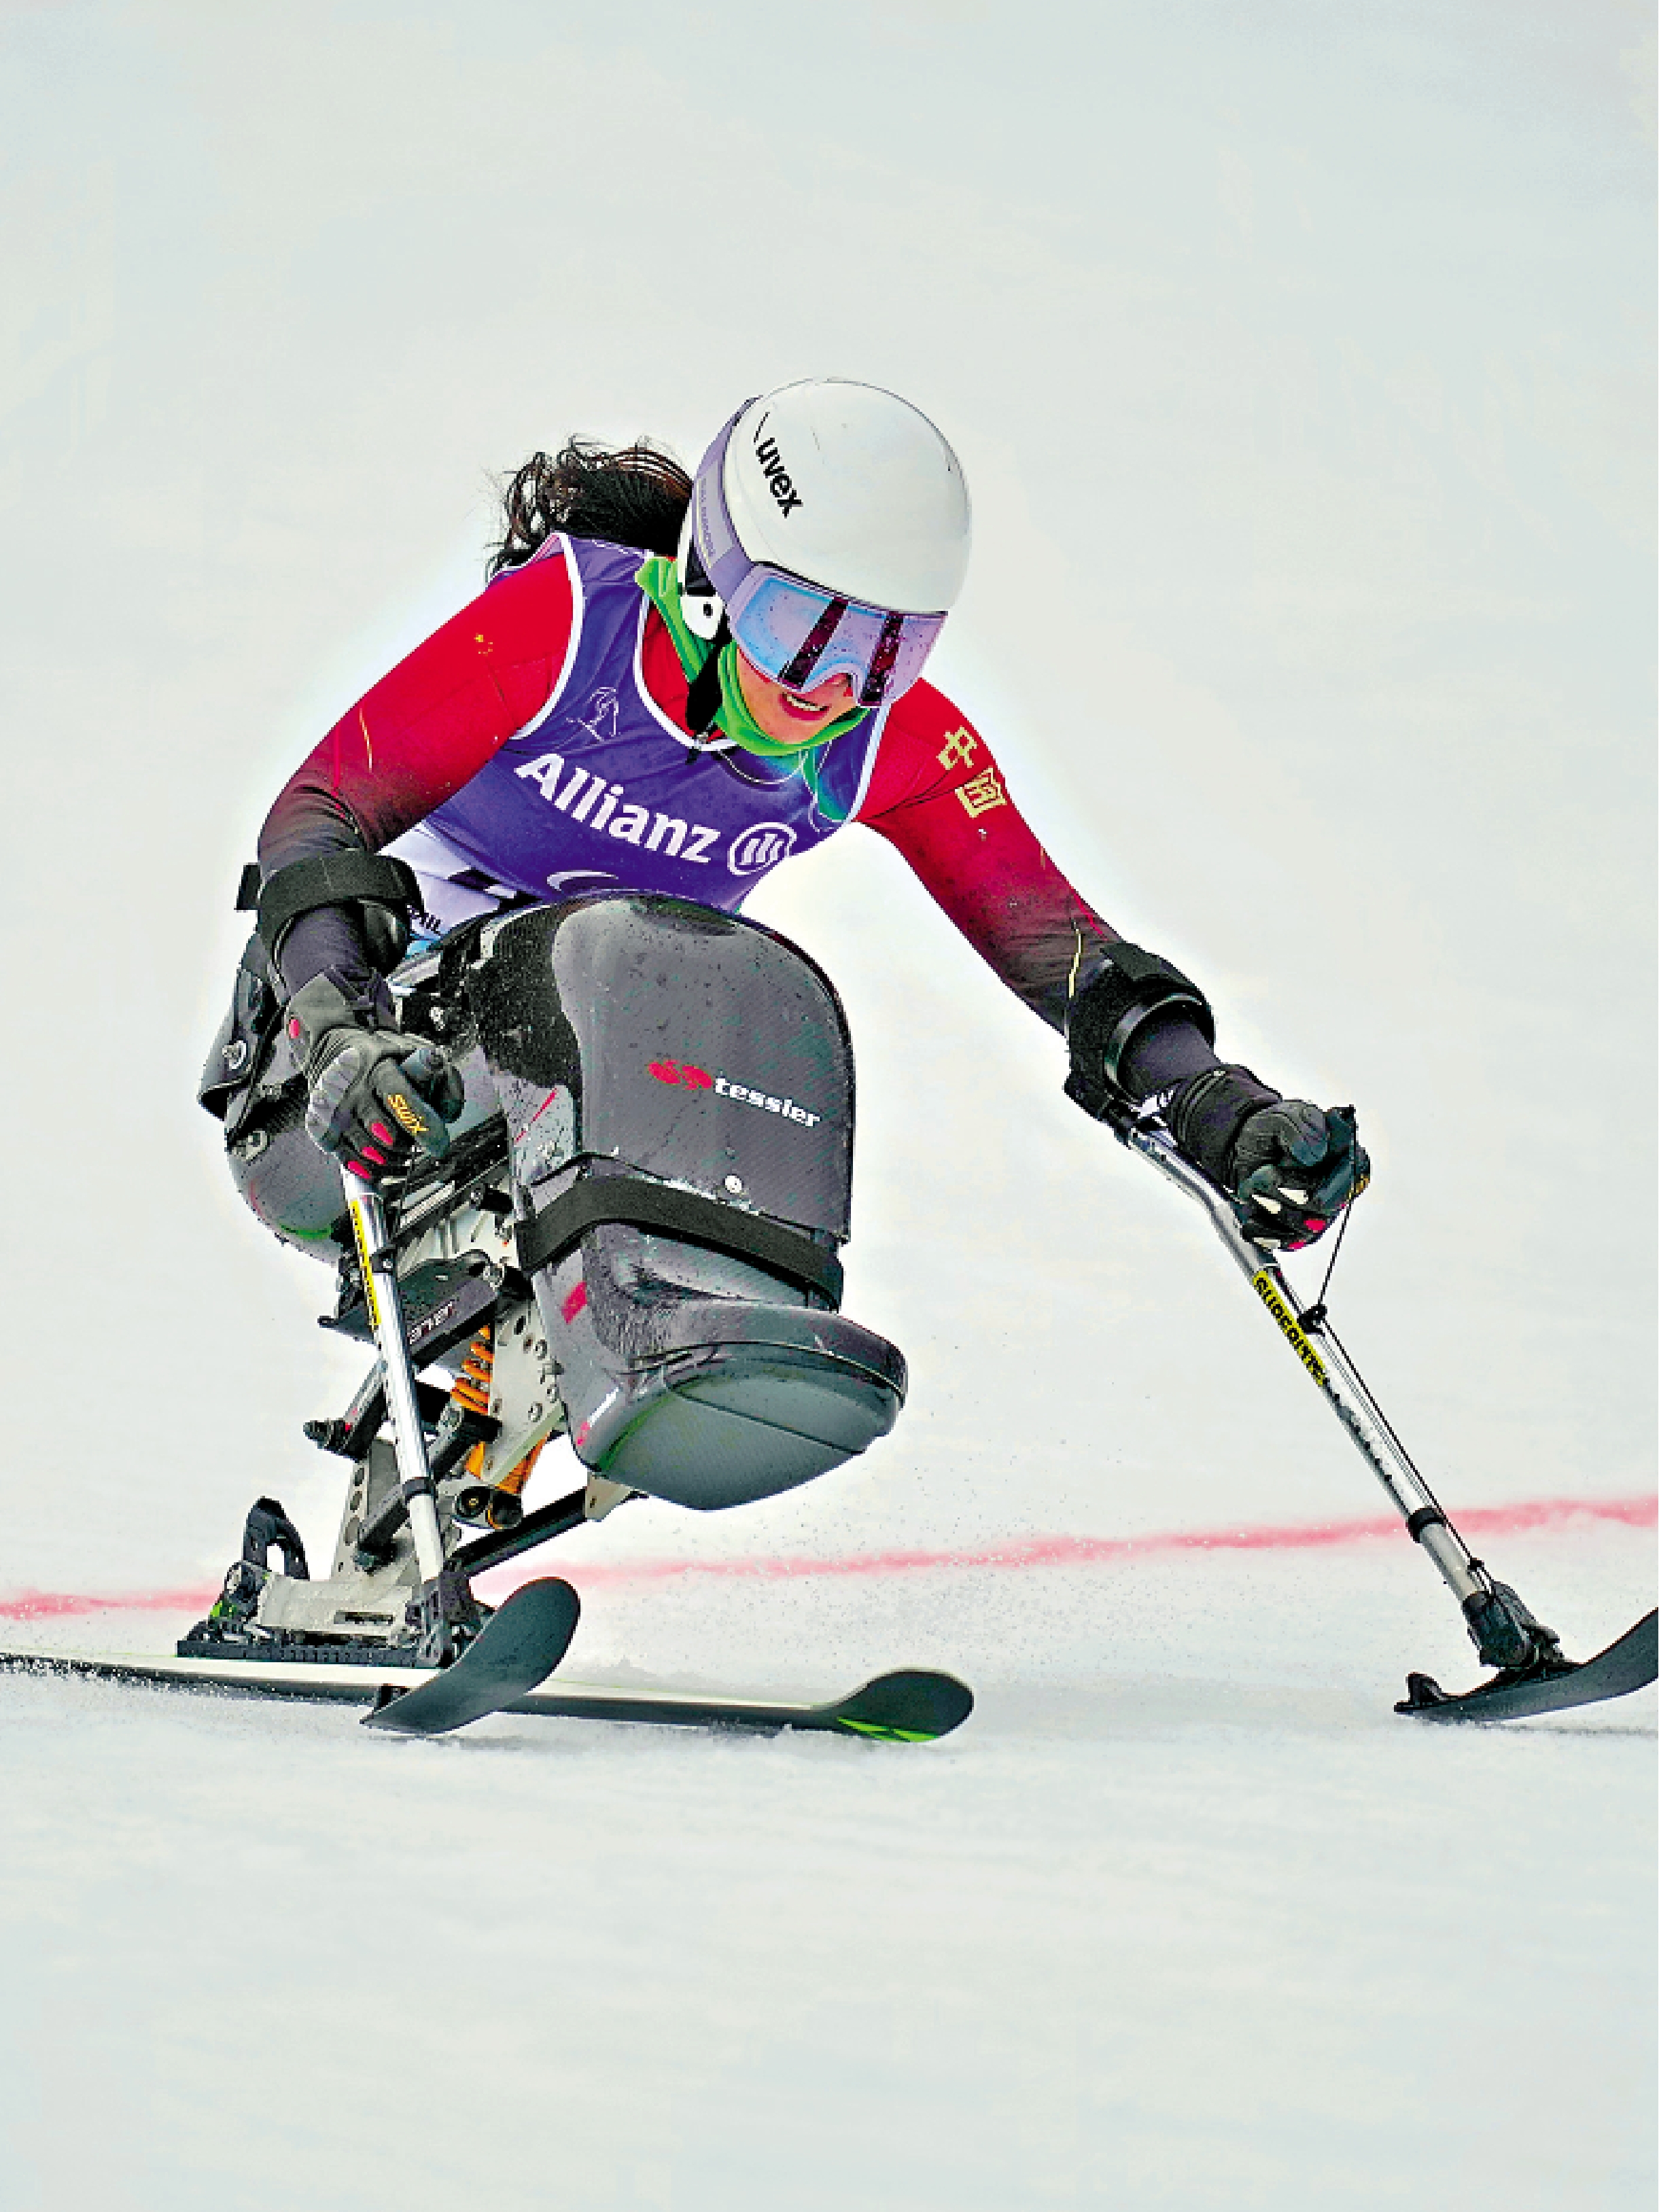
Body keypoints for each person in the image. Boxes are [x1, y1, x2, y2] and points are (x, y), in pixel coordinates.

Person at [200, 378, 1366, 1519]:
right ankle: (596, 1343)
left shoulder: (893, 742)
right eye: (798, 630)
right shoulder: (567, 625)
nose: (834, 689)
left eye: (887, 653)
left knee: (734, 990)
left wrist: (1215, 1101)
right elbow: (317, 815)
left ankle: (642, 1361)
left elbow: (1061, 950)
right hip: (344, 1086)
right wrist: (338, 1025)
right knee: (617, 960)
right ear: (712, 583)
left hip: (572, 1091)